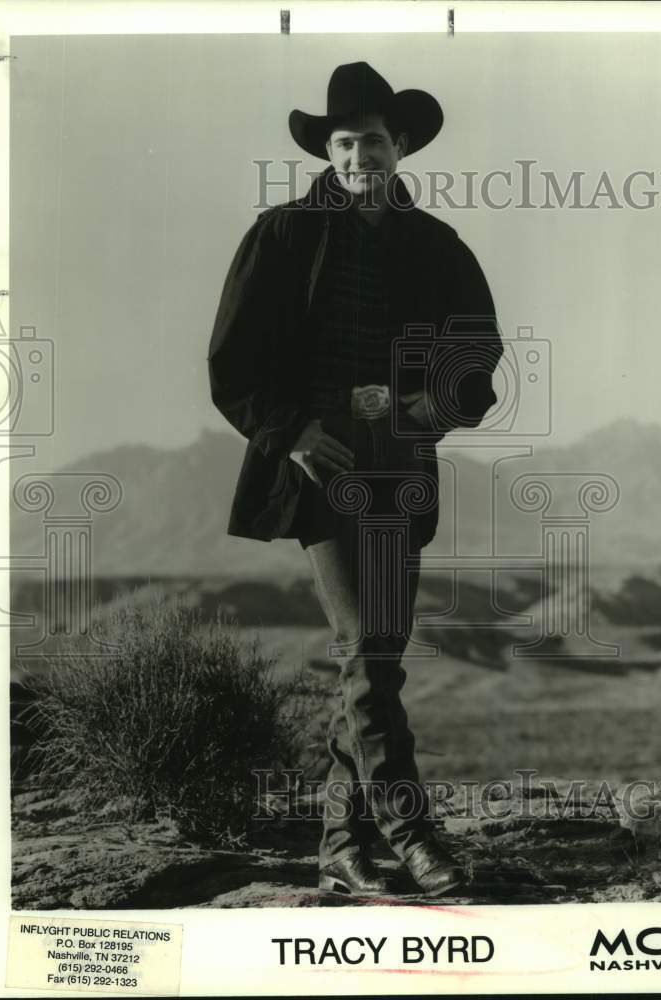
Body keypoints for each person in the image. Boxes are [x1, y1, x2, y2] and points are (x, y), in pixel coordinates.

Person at [208, 62, 503, 897]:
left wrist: (420, 402)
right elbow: (234, 364)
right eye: (342, 142)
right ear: (327, 150)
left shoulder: (436, 248)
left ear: (398, 145)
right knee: (369, 653)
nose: (357, 155)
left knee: (372, 658)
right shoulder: (283, 235)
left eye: (371, 140)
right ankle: (411, 835)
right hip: (324, 467)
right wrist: (293, 431)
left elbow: (477, 360)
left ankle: (340, 842)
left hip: (401, 464)